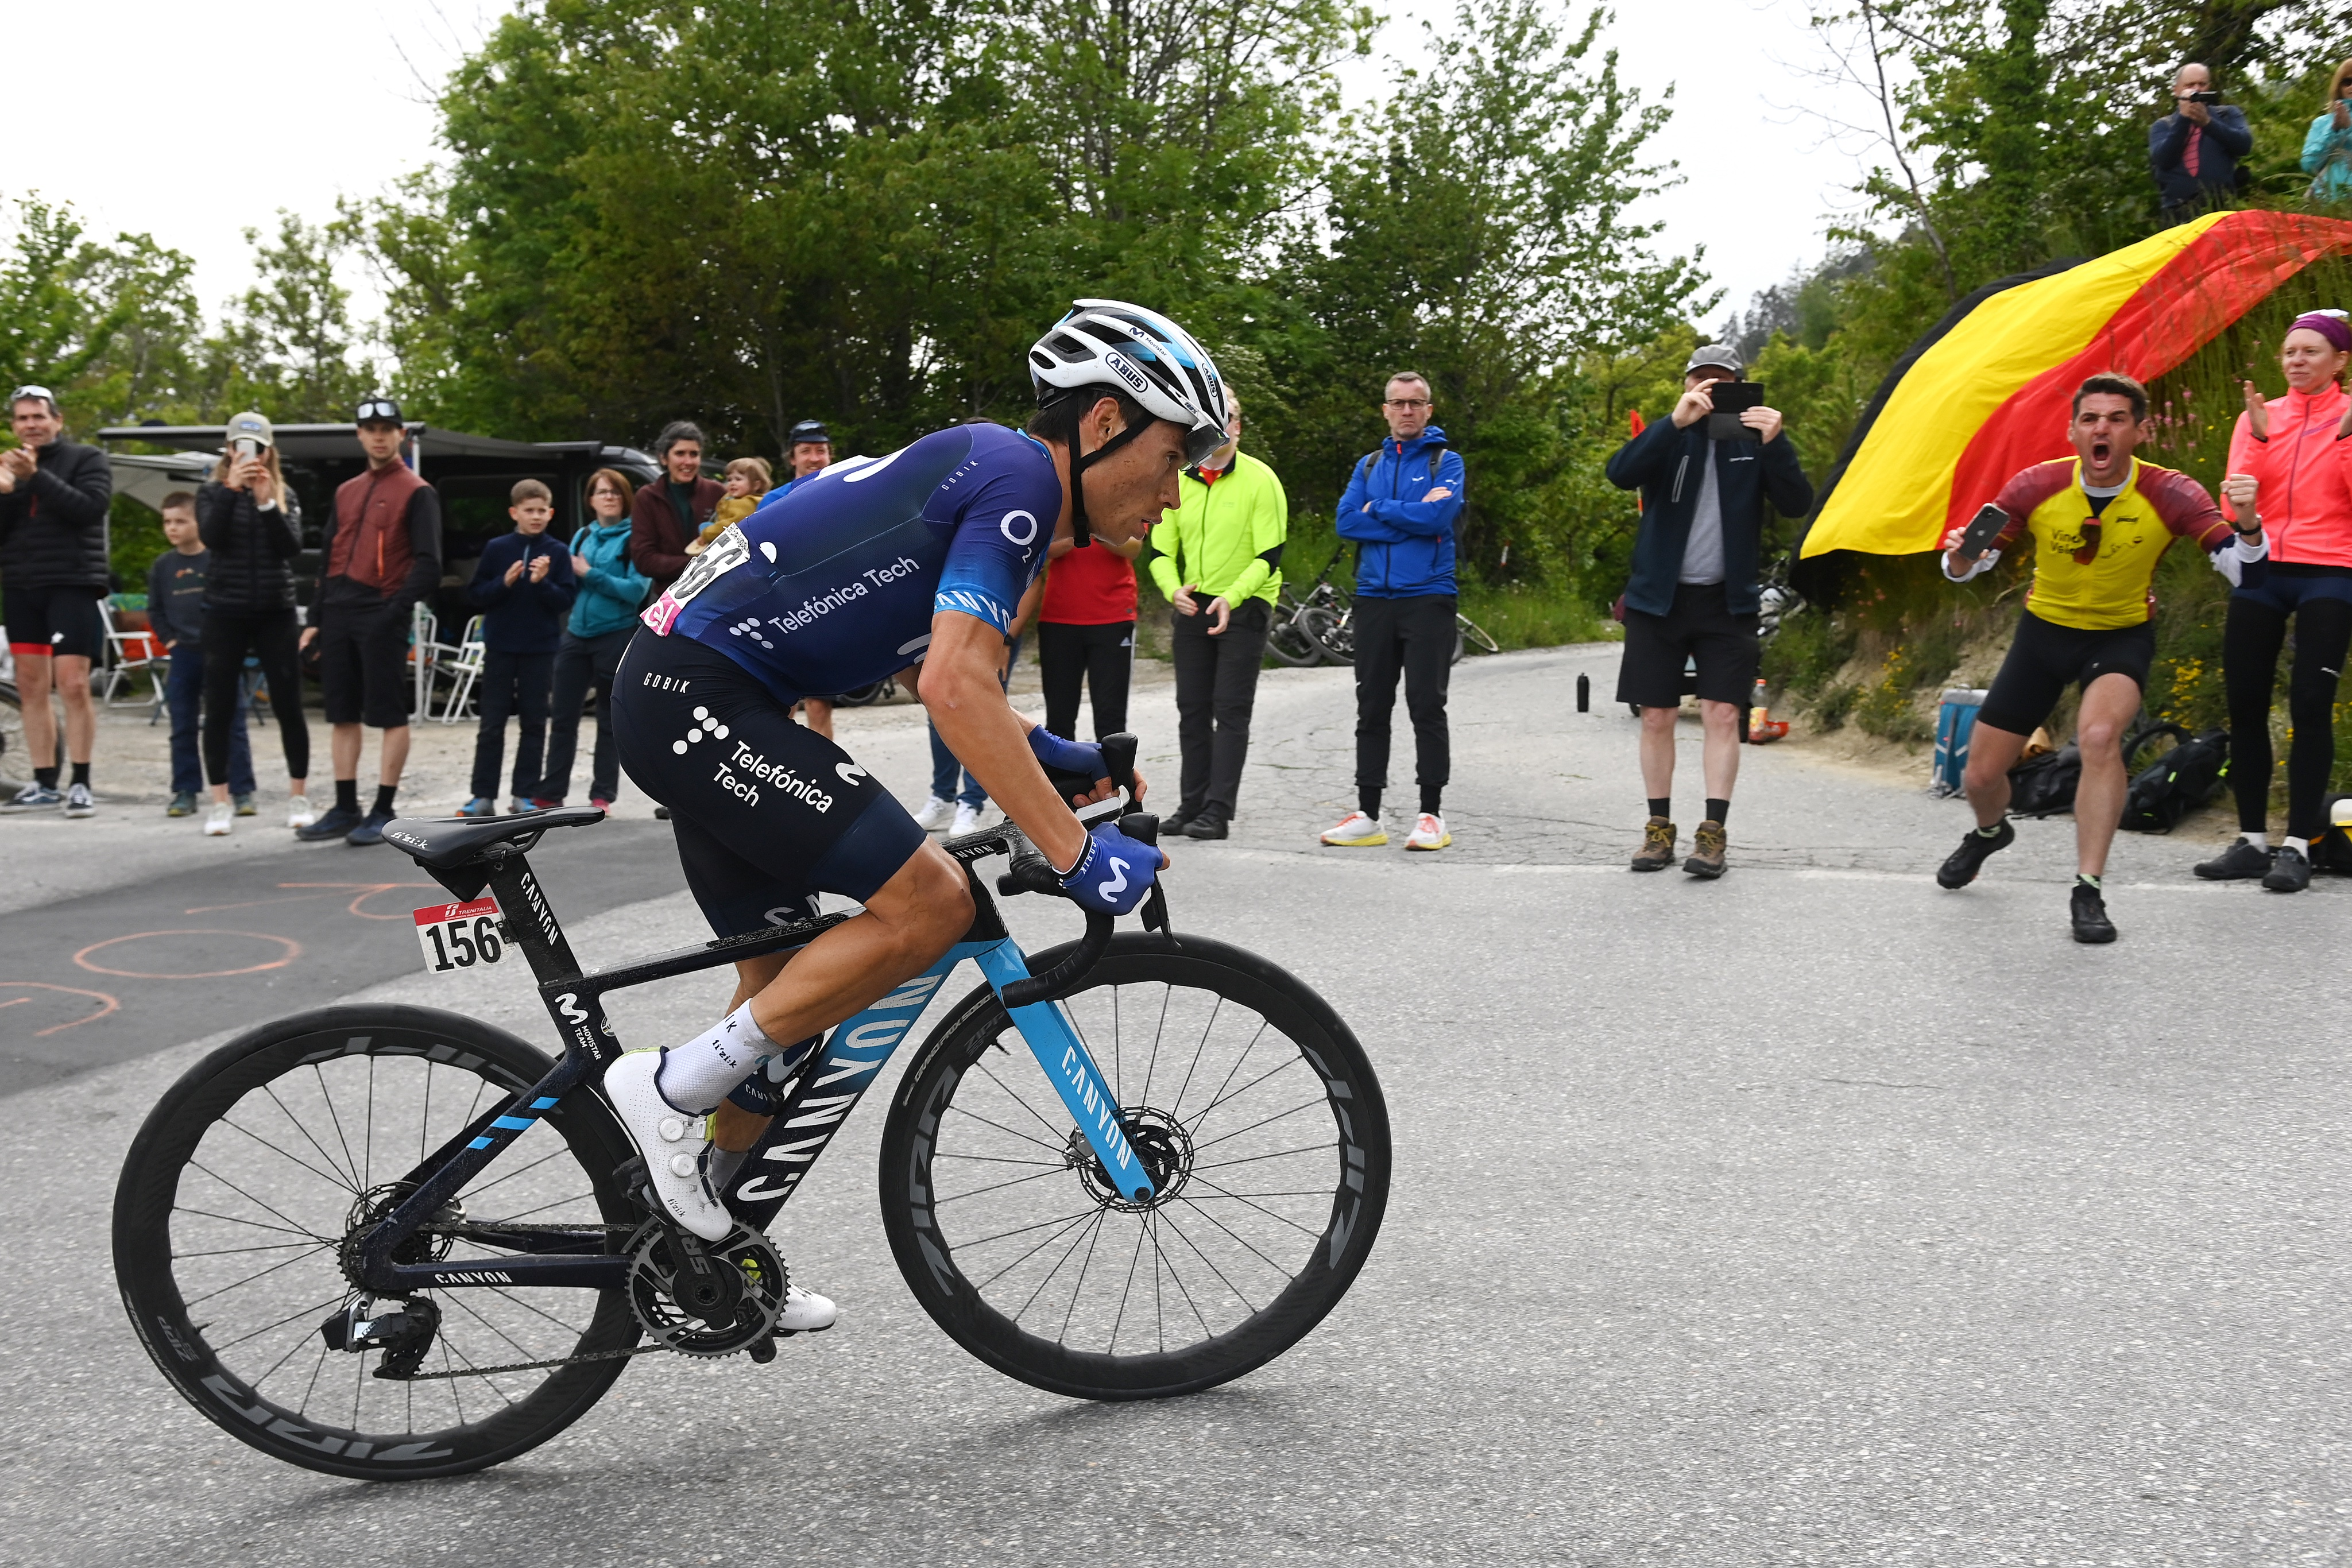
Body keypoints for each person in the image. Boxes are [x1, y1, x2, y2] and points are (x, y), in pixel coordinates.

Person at [599, 299, 1220, 1338]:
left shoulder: (995, 480)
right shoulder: (1021, 482)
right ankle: (664, 1087)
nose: (1175, 487)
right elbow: (951, 687)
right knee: (929, 901)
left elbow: (937, 666)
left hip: (691, 690)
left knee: (782, 1013)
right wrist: (1073, 857)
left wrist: (1050, 756)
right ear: (1104, 423)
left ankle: (703, 1253)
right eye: (1169, 456)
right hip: (700, 695)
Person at [1935, 373, 2259, 942]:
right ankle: (1989, 833)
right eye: (2089, 419)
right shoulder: (2037, 484)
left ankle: (2088, 888)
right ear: (2073, 431)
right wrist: (1961, 556)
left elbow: (2241, 568)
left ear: (2138, 430)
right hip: (2043, 634)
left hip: (2118, 637)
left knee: (2099, 738)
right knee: (1981, 776)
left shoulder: (2171, 492)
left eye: (2115, 419)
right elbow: (1967, 568)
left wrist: (2250, 526)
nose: (2101, 429)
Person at [1604, 344, 1812, 878]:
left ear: (1740, 387)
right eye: (1702, 381)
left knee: (1723, 714)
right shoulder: (1670, 432)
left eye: (1722, 383)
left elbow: (1796, 504)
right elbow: (1621, 473)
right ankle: (1658, 829)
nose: (1710, 392)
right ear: (1688, 384)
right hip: (1659, 600)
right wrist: (1673, 422)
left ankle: (1713, 833)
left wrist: (1777, 441)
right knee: (1657, 715)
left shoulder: (1753, 441)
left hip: (1727, 599)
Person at [2193, 311, 2352, 892]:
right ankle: (2252, 840)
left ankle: (2299, 845)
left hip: (2331, 568)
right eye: (2289, 351)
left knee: (2311, 702)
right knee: (2245, 700)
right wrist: (2259, 438)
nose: (2296, 361)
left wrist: (2347, 437)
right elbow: (2236, 502)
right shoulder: (2259, 416)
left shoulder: (2349, 414)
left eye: (2311, 352)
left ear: (2340, 361)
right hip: (2262, 567)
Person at [1320, 372, 1467, 852]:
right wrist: (1402, 511)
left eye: (1416, 403)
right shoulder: (1369, 464)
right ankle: (1369, 814)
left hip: (1428, 597)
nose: (1407, 411)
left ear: (1429, 410)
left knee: (1427, 705)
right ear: (1385, 409)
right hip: (1374, 599)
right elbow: (1347, 521)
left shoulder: (1448, 461)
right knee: (1372, 707)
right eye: (1398, 403)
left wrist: (1378, 511)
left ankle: (1431, 814)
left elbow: (1437, 519)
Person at [299, 397, 442, 846]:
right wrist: (316, 617)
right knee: (341, 712)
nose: (379, 435)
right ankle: (345, 806)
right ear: (359, 434)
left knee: (386, 711)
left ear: (402, 434)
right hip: (338, 609)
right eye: (370, 428)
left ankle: (384, 807)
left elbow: (429, 563)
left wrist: (393, 612)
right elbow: (328, 556)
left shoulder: (418, 490)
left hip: (380, 609)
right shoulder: (346, 491)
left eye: (387, 428)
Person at [1149, 390, 1287, 839]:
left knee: (1230, 710)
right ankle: (1191, 805)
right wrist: (1173, 590)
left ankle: (1217, 811)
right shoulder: (1181, 479)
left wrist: (1233, 595)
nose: (1221, 424)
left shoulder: (1261, 479)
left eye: (1228, 416)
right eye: (1211, 416)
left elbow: (1271, 553)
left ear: (1238, 426)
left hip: (1244, 606)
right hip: (1193, 604)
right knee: (1192, 709)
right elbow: (1159, 550)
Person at [191, 412, 315, 836]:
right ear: (228, 450)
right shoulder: (210, 492)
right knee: (222, 707)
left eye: (258, 448)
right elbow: (211, 537)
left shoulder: (285, 494)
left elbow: (291, 547)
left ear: (269, 451)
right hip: (224, 609)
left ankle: (298, 795)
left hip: (274, 610)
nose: (250, 456)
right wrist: (232, 490)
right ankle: (221, 801)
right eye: (242, 447)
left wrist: (265, 502)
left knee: (288, 704)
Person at [0, 384, 114, 818]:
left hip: (72, 582)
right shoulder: (9, 466)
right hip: (22, 584)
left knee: (73, 683)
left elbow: (89, 508)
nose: (31, 424)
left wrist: (36, 478)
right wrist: (6, 491)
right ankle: (44, 781)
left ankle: (81, 782)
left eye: (39, 416)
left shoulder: (86, 459)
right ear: (14, 425)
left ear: (57, 421)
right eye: (23, 418)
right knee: (30, 685)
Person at [533, 469, 648, 810]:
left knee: (608, 722)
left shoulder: (633, 538)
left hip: (615, 634)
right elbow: (568, 587)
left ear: (625, 498)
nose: (608, 497)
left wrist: (590, 574)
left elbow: (635, 591)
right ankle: (550, 794)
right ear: (591, 499)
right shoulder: (582, 535)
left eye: (615, 492)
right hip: (576, 636)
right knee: (562, 718)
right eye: (601, 492)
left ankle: (602, 796)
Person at [461, 479, 576, 816]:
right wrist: (504, 582)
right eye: (529, 511)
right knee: (492, 723)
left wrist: (543, 584)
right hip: (500, 645)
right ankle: (482, 795)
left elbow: (566, 599)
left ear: (551, 513)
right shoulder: (497, 548)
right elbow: (476, 594)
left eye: (542, 511)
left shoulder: (557, 551)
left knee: (535, 722)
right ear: (514, 513)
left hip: (540, 648)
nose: (536, 517)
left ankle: (524, 793)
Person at [148, 492, 257, 823]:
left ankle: (241, 791)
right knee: (182, 724)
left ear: (199, 523)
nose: (173, 528)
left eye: (181, 521)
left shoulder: (218, 559)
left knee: (231, 723)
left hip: (221, 652)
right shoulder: (163, 567)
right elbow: (155, 609)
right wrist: (170, 640)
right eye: (167, 522)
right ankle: (185, 790)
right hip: (183, 655)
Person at [2149, 63, 2251, 226]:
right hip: (2178, 213)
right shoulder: (2164, 126)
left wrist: (2208, 123)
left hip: (2221, 210)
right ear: (2177, 91)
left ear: (2209, 87)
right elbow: (2163, 160)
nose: (2197, 90)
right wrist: (2183, 119)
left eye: (2202, 85)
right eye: (2190, 86)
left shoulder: (2227, 114)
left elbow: (2244, 145)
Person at [628, 420, 721, 595]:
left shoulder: (717, 493)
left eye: (694, 454)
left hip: (715, 595)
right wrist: (697, 563)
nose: (688, 462)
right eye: (680, 453)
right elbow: (644, 560)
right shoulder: (647, 497)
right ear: (664, 458)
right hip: (669, 598)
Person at [690, 457, 773, 553]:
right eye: (729, 480)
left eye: (738, 479)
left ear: (756, 485)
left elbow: (731, 524)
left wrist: (707, 533)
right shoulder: (733, 499)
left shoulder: (747, 504)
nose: (732, 483)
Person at [2303, 60, 2352, 204]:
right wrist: (2335, 131)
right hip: (2327, 202)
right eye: (2347, 81)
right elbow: (2309, 165)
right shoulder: (2322, 123)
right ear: (2339, 87)